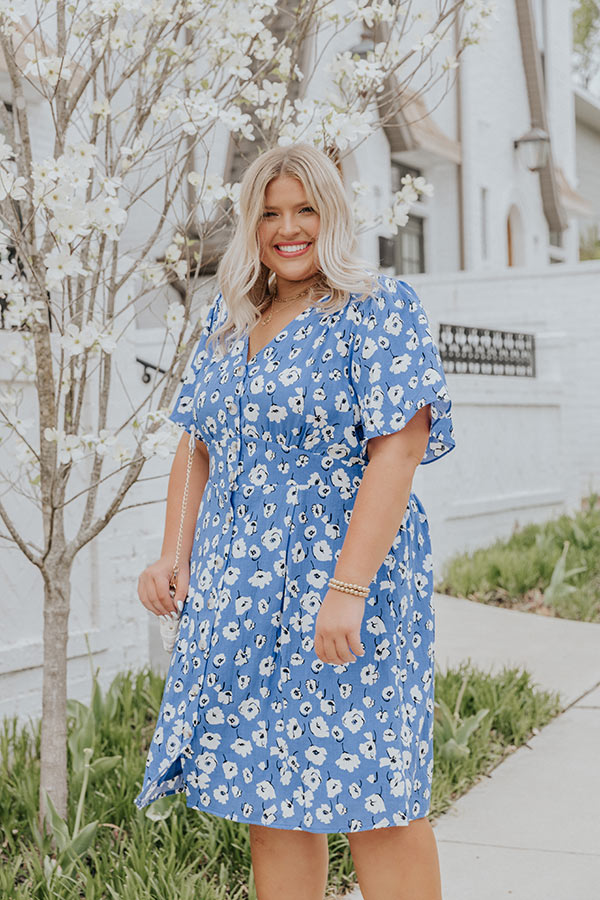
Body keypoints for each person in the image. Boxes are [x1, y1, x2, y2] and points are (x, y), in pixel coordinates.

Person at [136, 142, 455, 900]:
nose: (289, 228)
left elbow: (399, 450)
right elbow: (196, 439)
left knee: (376, 794)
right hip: (243, 587)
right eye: (271, 212)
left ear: (333, 213)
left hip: (347, 582)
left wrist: (347, 588)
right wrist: (171, 553)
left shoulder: (377, 308)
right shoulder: (230, 315)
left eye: (305, 209)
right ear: (252, 223)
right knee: (269, 797)